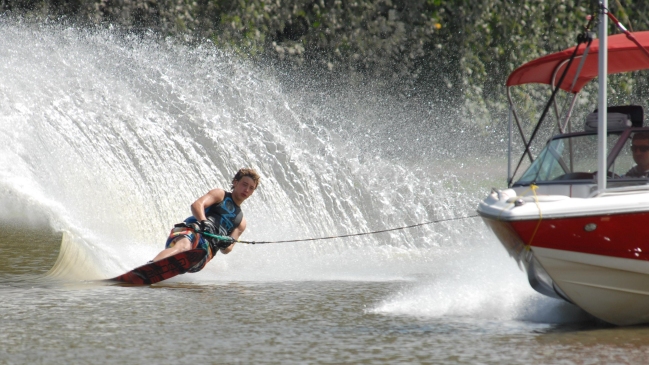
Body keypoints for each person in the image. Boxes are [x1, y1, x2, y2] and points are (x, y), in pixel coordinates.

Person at [151, 168, 260, 272]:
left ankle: (162, 270)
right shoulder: (220, 194)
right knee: (184, 247)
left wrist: (225, 244)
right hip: (193, 231)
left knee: (195, 255)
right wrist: (204, 222)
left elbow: (228, 249)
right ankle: (151, 266)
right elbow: (197, 205)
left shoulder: (241, 222)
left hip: (205, 251)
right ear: (235, 183)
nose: (246, 190)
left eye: (251, 188)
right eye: (244, 184)